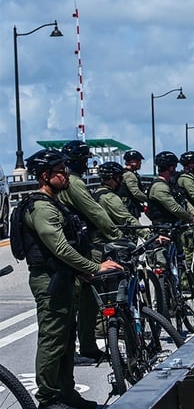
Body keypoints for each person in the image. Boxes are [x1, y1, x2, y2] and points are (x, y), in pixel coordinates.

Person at [19, 149, 123, 409]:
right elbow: (60, 248)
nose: (66, 175)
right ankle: (48, 398)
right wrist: (94, 267)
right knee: (53, 339)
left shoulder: (55, 203)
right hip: (49, 281)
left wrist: (84, 271)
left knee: (66, 338)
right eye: (60, 171)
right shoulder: (40, 207)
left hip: (64, 277)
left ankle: (66, 392)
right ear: (45, 176)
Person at [57, 140, 123, 367]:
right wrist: (117, 236)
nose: (87, 165)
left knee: (87, 300)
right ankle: (77, 350)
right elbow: (95, 212)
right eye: (85, 161)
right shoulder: (74, 184)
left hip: (79, 244)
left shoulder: (71, 182)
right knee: (82, 300)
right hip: (79, 247)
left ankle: (87, 347)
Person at [94, 162, 150, 241]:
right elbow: (127, 219)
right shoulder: (110, 198)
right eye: (120, 177)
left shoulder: (96, 193)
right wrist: (148, 235)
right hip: (108, 242)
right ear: (114, 178)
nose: (121, 181)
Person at [146, 151, 194, 226]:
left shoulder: (168, 184)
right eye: (175, 167)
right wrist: (192, 219)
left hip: (174, 225)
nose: (175, 170)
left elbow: (182, 201)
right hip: (165, 228)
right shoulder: (160, 187)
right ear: (171, 168)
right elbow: (175, 208)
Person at [119, 149, 146, 218]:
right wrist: (149, 199)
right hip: (129, 207)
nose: (140, 163)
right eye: (139, 161)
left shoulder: (125, 172)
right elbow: (136, 193)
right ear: (132, 161)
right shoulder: (129, 175)